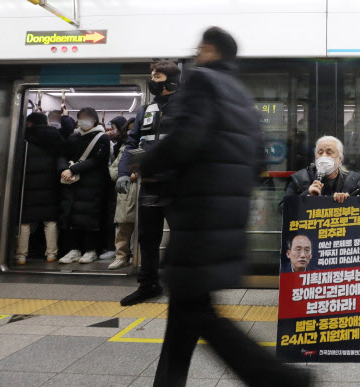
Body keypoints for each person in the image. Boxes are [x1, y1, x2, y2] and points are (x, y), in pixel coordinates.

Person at [137, 27, 311, 387]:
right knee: (186, 310)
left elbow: (184, 140)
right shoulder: (242, 98)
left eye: (200, 47)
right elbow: (257, 161)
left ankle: (279, 379)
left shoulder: (201, 82)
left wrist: (148, 163)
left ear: (209, 49)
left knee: (199, 313)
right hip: (223, 219)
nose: (196, 54)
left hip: (198, 219)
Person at [116, 61, 181, 306]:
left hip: (178, 186)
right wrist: (124, 172)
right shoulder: (146, 109)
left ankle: (183, 284)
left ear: (172, 80)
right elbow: (131, 143)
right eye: (152, 75)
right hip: (150, 184)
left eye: (158, 75)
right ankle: (148, 284)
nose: (153, 79)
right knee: (148, 238)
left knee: (182, 236)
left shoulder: (187, 107)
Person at [58, 107, 110, 264]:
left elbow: (97, 160)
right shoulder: (73, 137)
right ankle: (74, 249)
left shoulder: (102, 138)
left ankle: (91, 249)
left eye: (87, 117)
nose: (83, 120)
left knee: (91, 218)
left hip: (93, 184)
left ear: (95, 119)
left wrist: (72, 169)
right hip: (73, 183)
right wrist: (63, 169)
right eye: (80, 117)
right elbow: (62, 155)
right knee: (72, 216)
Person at [15, 113, 66, 265]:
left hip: (27, 184)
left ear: (30, 123)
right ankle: (51, 253)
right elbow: (62, 155)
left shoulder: (23, 137)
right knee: (50, 220)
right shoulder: (56, 137)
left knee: (24, 221)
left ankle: (21, 255)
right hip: (50, 184)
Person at [279, 135, 360, 212]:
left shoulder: (355, 182)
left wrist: (350, 201)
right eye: (320, 152)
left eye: (329, 153)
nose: (324, 156)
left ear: (340, 158)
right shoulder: (301, 179)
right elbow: (283, 210)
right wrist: (306, 195)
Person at [107, 118, 138, 270]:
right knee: (123, 227)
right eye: (130, 129)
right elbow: (113, 169)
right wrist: (124, 175)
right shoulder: (123, 148)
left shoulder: (149, 145)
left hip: (142, 191)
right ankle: (121, 256)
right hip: (126, 191)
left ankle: (138, 256)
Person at [100, 116, 128, 262]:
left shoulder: (124, 144)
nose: (113, 131)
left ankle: (117, 250)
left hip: (120, 182)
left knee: (121, 217)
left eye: (116, 128)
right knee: (115, 215)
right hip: (113, 183)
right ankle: (114, 248)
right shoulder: (114, 143)